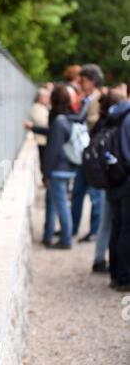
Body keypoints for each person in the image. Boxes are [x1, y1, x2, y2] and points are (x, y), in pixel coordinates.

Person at [41, 84, 78, 250]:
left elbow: (53, 149)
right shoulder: (70, 117)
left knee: (61, 204)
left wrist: (45, 173)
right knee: (52, 201)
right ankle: (48, 234)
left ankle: (66, 240)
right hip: (67, 167)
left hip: (57, 169)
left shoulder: (58, 121)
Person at [71, 64, 104, 243]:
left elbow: (95, 123)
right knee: (77, 192)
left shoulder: (98, 100)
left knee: (95, 196)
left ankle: (94, 232)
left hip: (93, 155)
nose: (80, 83)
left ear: (92, 81)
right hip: (83, 153)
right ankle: (73, 227)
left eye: (82, 80)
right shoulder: (85, 99)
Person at [91, 91, 123, 273]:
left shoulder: (100, 124)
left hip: (104, 177)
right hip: (115, 178)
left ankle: (99, 258)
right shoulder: (116, 124)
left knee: (106, 223)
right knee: (115, 223)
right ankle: (112, 263)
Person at [106, 91, 130, 291]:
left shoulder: (117, 113)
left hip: (115, 177)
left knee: (118, 226)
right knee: (126, 229)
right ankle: (124, 278)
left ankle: (116, 274)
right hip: (127, 178)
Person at [28, 87, 50, 172]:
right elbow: (42, 122)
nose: (47, 99)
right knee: (44, 160)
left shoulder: (43, 107)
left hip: (44, 137)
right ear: (40, 97)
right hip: (42, 138)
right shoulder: (37, 108)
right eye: (46, 97)